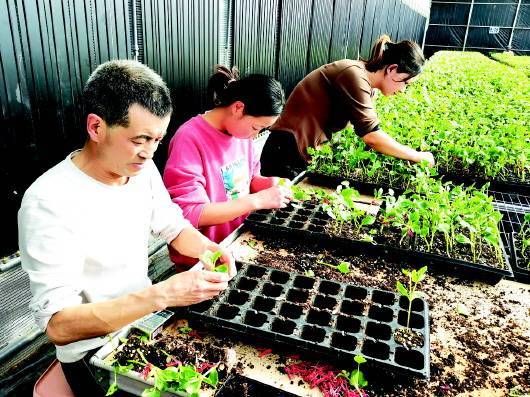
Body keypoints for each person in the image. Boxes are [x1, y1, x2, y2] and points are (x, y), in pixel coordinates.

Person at [18, 60, 235, 397]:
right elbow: (59, 326)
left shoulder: (140, 170)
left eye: (157, 140)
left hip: (144, 324)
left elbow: (173, 225)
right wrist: (164, 293)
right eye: (140, 139)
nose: (149, 153)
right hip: (91, 353)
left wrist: (211, 250)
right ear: (96, 127)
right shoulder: (49, 202)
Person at [163, 66, 293, 266]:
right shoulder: (189, 138)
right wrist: (256, 201)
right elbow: (189, 213)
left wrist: (269, 184)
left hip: (238, 242)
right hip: (203, 259)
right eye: (256, 127)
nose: (255, 135)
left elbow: (248, 182)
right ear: (238, 108)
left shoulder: (242, 135)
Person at [261, 35, 435, 179]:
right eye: (406, 82)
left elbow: (368, 131)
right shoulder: (353, 75)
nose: (403, 90)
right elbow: (371, 136)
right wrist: (417, 156)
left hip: (298, 153)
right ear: (392, 69)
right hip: (286, 151)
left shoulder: (367, 87)